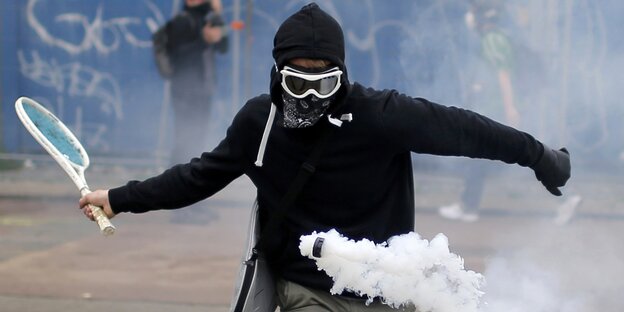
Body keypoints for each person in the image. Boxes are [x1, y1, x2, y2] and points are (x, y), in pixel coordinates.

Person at [80, 3, 570, 311]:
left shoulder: (381, 115)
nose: (311, 96)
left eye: (324, 82)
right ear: (277, 75)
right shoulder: (261, 122)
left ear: (343, 77)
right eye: (298, 82)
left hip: (386, 293)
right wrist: (118, 198)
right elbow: (197, 177)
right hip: (305, 292)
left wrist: (539, 156)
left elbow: (468, 130)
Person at [438, 0, 522, 222]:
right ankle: (468, 205)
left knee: (516, 157)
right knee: (480, 159)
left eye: (474, 12)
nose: (470, 16)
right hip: (491, 109)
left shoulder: (492, 40)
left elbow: (503, 74)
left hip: (493, 110)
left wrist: (510, 108)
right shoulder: (496, 38)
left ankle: (468, 206)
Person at [160, 0, 228, 224]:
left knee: (197, 147)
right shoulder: (181, 22)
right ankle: (178, 206)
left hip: (202, 92)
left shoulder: (206, 19)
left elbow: (223, 45)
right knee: (183, 145)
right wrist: (202, 40)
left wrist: (218, 16)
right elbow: (178, 55)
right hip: (185, 93)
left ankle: (194, 202)